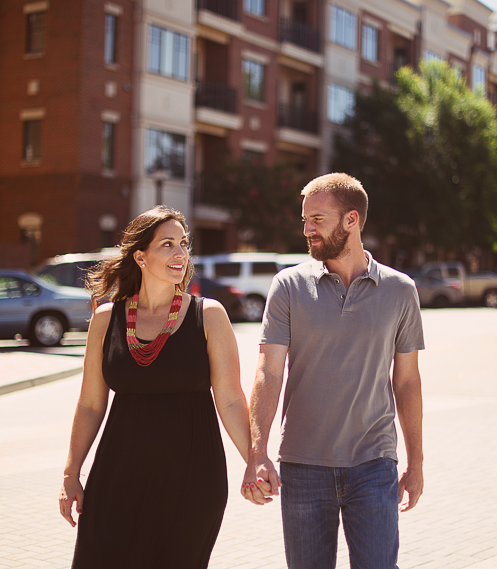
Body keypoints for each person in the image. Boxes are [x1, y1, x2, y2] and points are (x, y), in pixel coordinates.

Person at [241, 173, 425, 569]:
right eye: (305, 220)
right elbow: (268, 373)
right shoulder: (288, 286)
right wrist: (257, 452)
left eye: (317, 220)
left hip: (374, 465)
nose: (307, 230)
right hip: (303, 467)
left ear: (351, 220)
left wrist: (416, 462)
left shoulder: (400, 290)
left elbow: (407, 380)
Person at [59, 206, 251, 568]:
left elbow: (229, 399)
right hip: (118, 475)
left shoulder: (208, 315)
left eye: (183, 244)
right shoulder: (106, 319)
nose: (180, 254)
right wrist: (71, 474)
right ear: (140, 257)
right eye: (167, 245)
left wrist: (255, 461)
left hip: (192, 479)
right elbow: (89, 404)